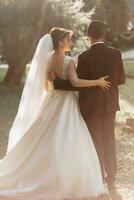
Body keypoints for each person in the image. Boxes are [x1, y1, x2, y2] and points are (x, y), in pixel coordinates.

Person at [0, 27, 111, 199]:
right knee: (69, 137)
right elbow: (75, 82)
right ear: (60, 41)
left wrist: (56, 81)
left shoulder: (47, 58)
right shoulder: (68, 61)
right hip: (66, 103)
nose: (70, 42)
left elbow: (46, 86)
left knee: (44, 136)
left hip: (51, 101)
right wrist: (97, 82)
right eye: (68, 39)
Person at [53, 21, 126, 200]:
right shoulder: (115, 53)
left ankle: (99, 179)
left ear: (88, 35)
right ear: (104, 34)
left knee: (96, 143)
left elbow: (78, 85)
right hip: (109, 105)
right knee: (109, 140)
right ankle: (111, 182)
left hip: (90, 106)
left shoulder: (84, 57)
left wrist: (56, 83)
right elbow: (121, 80)